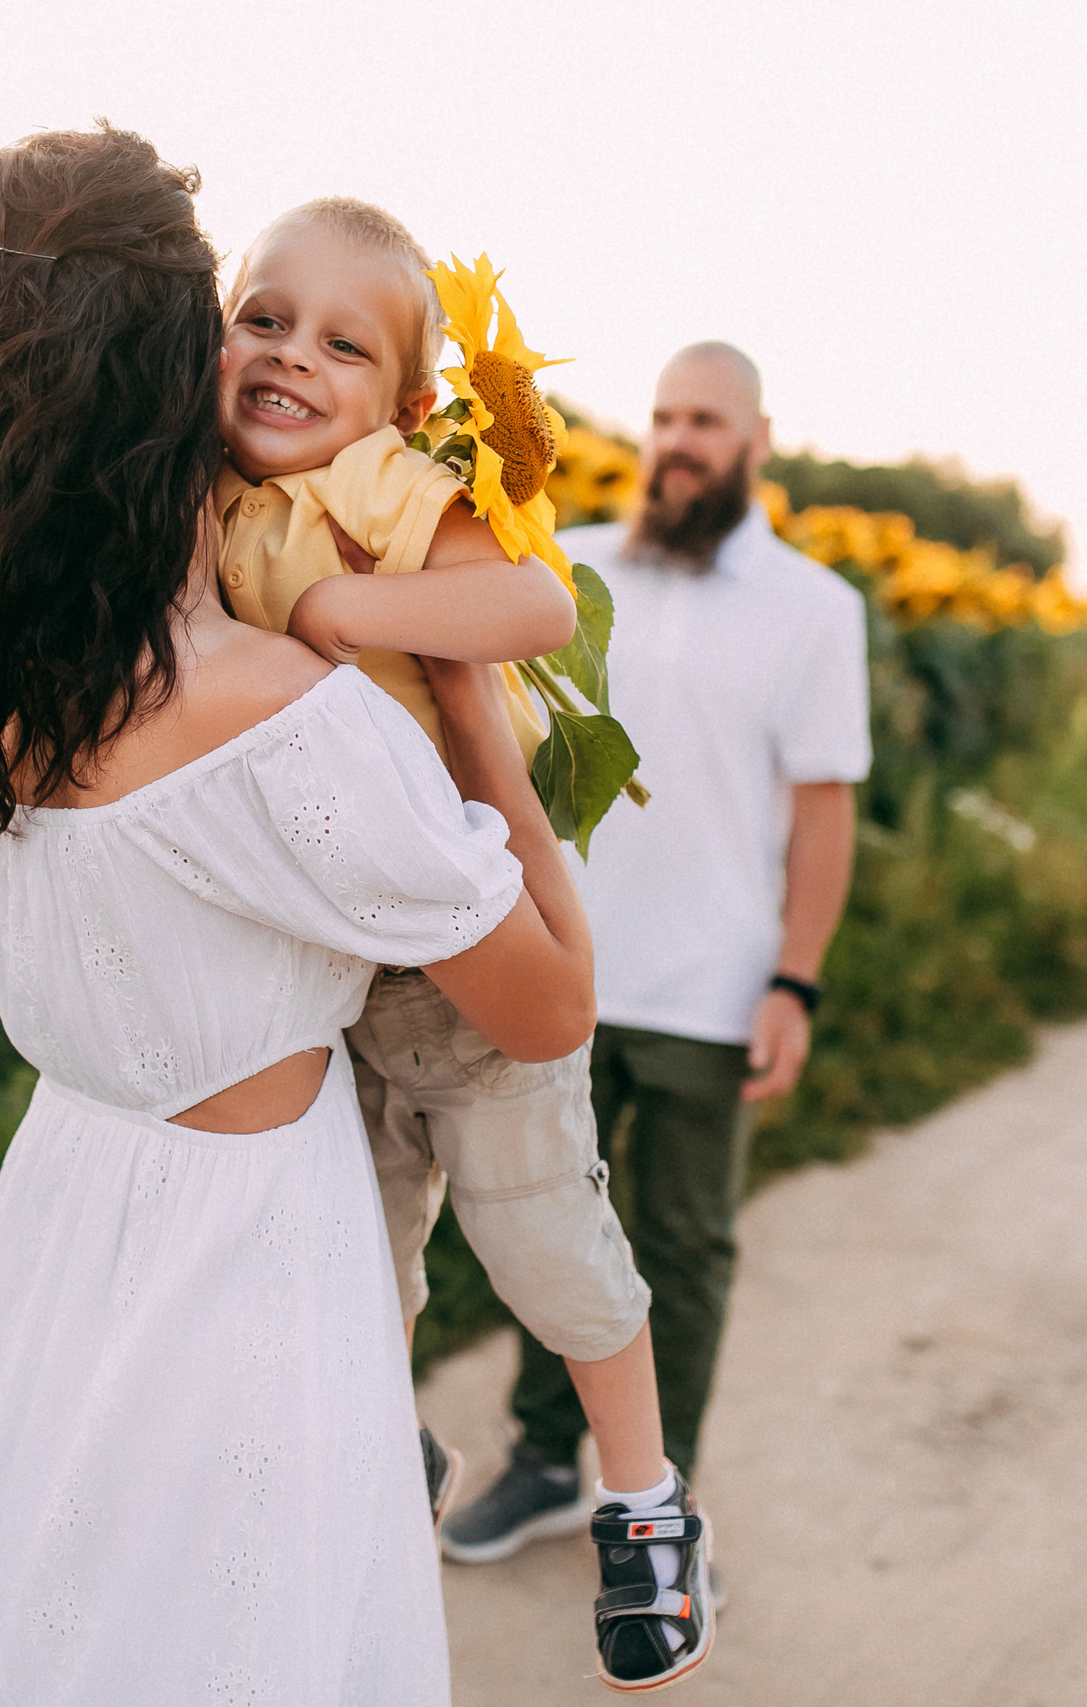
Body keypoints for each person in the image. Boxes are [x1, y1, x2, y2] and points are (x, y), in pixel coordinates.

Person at [0, 126, 595, 1706]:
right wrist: (466, 698)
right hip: (250, 1263)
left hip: (61, 1222)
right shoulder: (277, 715)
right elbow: (547, 1006)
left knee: (52, 1620)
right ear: (170, 370)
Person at [211, 197, 713, 1690]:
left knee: (547, 1238)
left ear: (411, 404)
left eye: (340, 342)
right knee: (354, 1263)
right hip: (324, 972)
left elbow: (534, 596)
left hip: (463, 958)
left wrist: (345, 602)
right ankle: (393, 1449)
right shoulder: (207, 496)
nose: (291, 355)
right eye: (261, 318)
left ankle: (643, 1499)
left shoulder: (380, 484)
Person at [444, 342, 871, 1593]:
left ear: (757, 442)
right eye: (665, 417)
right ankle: (536, 1459)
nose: (677, 440)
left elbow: (825, 810)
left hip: (710, 985)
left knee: (679, 1245)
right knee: (546, 1228)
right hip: (551, 966)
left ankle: (657, 1501)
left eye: (706, 421)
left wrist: (795, 980)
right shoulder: (556, 565)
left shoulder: (813, 610)